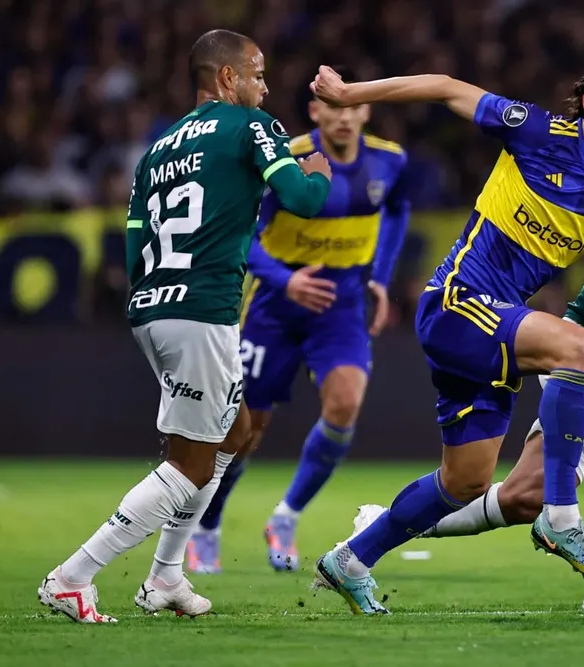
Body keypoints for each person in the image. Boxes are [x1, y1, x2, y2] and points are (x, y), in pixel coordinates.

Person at [307, 58, 584, 614]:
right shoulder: (536, 130)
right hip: (456, 301)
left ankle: (351, 560)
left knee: (465, 482)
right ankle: (563, 516)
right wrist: (351, 93)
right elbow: (446, 87)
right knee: (576, 346)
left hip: (492, 329)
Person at [36, 29, 331, 623]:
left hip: (152, 307)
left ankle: (166, 577)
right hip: (202, 309)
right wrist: (319, 170)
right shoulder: (251, 126)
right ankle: (73, 575)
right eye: (257, 73)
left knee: (237, 430)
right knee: (192, 463)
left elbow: (133, 241)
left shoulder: (156, 149)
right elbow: (301, 199)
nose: (265, 86)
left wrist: (154, 301)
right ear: (227, 78)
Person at [187, 66, 412, 574]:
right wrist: (286, 280)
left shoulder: (389, 162)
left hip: (343, 305)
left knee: (345, 404)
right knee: (245, 427)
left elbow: (398, 210)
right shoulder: (284, 159)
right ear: (315, 111)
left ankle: (286, 516)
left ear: (365, 109)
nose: (344, 117)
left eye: (352, 106)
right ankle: (207, 525)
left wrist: (379, 277)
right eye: (333, 107)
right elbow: (240, 234)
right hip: (275, 305)